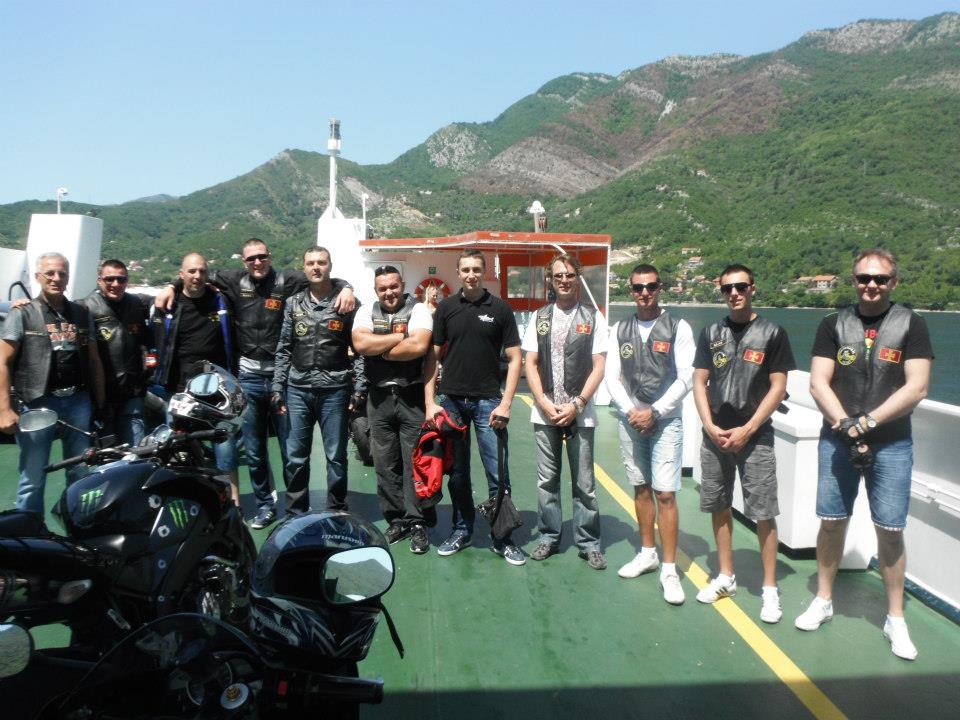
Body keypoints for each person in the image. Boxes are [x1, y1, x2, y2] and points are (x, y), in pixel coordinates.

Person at [154, 238, 355, 529]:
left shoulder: (288, 280)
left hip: (283, 379)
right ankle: (265, 504)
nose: (257, 262)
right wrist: (171, 286)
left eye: (261, 256)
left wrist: (347, 286)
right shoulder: (233, 280)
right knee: (254, 449)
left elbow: (323, 276)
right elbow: (197, 275)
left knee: (291, 450)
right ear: (243, 261)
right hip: (247, 378)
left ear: (269, 256)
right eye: (251, 258)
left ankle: (298, 508)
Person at [794, 249, 932, 660]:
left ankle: (895, 618)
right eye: (864, 278)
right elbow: (819, 383)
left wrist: (867, 423)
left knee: (890, 529)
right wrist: (845, 425)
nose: (872, 285)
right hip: (838, 440)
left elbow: (917, 387)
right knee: (832, 522)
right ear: (853, 281)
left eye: (880, 279)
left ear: (894, 283)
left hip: (891, 444)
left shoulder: (912, 324)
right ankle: (823, 599)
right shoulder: (832, 324)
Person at [692, 263, 795, 623]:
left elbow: (778, 387)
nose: (734, 293)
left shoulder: (773, 333)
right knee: (719, 505)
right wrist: (708, 425)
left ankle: (769, 589)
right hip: (716, 436)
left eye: (740, 287)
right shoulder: (711, 333)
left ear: (753, 288)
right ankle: (726, 576)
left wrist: (749, 428)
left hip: (756, 436)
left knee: (763, 511)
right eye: (727, 288)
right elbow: (699, 381)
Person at [423, 249, 523, 565]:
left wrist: (506, 403)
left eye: (476, 269)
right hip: (452, 401)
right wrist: (430, 402)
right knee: (458, 473)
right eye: (465, 269)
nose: (471, 275)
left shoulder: (501, 309)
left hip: (488, 402)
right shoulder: (446, 309)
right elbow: (432, 358)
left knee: (498, 472)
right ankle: (462, 529)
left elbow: (516, 358)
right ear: (458, 272)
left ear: (484, 272)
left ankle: (502, 537)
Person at [606, 264, 695, 603]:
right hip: (631, 418)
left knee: (665, 493)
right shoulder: (620, 329)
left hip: (666, 420)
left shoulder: (678, 328)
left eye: (651, 286)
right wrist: (632, 410)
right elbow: (612, 376)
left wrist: (655, 411)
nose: (644, 293)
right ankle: (647, 553)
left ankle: (669, 569)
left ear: (660, 288)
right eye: (638, 288)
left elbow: (686, 377)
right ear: (631, 291)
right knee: (641, 487)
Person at [0, 252, 105, 515]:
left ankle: (78, 523)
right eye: (49, 273)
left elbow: (93, 359)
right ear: (38, 277)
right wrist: (4, 409)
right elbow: (3, 361)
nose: (56, 278)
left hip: (78, 401)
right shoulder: (23, 313)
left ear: (68, 278)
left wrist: (100, 401)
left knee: (80, 470)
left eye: (62, 273)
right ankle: (29, 528)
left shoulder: (81, 313)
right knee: (33, 475)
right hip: (37, 402)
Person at [522, 254, 607, 570]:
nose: (564, 280)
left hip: (580, 413)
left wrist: (578, 404)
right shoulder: (540, 317)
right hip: (544, 412)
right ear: (551, 279)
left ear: (577, 277)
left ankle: (589, 542)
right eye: (558, 275)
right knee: (547, 480)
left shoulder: (593, 318)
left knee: (584, 482)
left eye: (570, 275)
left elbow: (599, 365)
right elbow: (531, 363)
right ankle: (549, 536)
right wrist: (543, 402)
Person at [272, 246, 363, 515]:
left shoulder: (346, 303)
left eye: (321, 262)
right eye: (310, 263)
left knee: (336, 456)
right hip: (298, 389)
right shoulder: (293, 303)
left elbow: (359, 350)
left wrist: (360, 386)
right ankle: (296, 512)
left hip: (335, 389)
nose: (316, 267)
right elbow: (284, 348)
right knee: (295, 457)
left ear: (330, 265)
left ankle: (337, 509)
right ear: (304, 267)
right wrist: (277, 386)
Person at [352, 265, 434, 554]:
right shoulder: (366, 311)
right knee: (384, 463)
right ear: (376, 290)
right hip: (378, 399)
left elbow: (419, 345)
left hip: (411, 396)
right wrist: (400, 337)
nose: (389, 292)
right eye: (383, 288)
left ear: (403, 284)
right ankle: (396, 519)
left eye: (394, 286)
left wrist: (381, 348)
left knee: (415, 463)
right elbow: (360, 343)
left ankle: (417, 521)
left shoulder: (419, 309)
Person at [153, 252, 242, 505]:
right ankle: (189, 504)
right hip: (180, 391)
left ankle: (233, 505)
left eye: (202, 271)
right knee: (179, 453)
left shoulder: (221, 301)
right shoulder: (170, 305)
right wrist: (171, 287)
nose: (197, 276)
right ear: (181, 274)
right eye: (191, 271)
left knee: (225, 451)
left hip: (216, 393)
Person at [78, 259, 152, 447]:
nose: (116, 284)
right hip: (101, 396)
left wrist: (173, 287)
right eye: (109, 279)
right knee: (105, 455)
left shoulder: (137, 303)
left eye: (121, 279)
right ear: (99, 280)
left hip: (133, 392)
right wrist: (26, 304)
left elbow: (171, 300)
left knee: (136, 453)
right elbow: (56, 311)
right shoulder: (84, 307)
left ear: (127, 281)